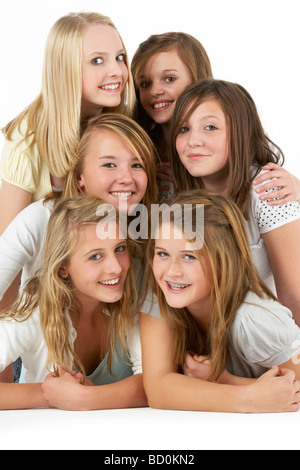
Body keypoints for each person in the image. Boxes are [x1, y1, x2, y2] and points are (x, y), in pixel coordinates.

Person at [0, 113, 157, 384]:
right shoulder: (41, 220)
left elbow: (154, 377)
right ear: (80, 177)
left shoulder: (140, 254)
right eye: (109, 164)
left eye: (137, 165)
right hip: (37, 357)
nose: (126, 178)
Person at [0, 11, 134, 310]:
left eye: (120, 57)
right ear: (65, 69)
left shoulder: (120, 125)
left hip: (106, 307)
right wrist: (6, 347)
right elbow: (7, 262)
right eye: (97, 60)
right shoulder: (28, 140)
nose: (117, 71)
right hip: (47, 313)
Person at [139, 190, 300, 413]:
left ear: (224, 263)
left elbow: (293, 390)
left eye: (189, 256)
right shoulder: (160, 294)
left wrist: (226, 381)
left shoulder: (255, 319)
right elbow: (158, 389)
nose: (171, 272)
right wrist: (245, 396)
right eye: (163, 254)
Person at [169, 78, 300, 325]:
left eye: (210, 127)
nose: (193, 141)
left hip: (269, 338)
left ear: (240, 131)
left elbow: (294, 300)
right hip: (202, 339)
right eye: (184, 129)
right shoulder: (173, 196)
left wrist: (290, 363)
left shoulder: (267, 189)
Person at [0, 195, 148, 410]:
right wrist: (49, 393)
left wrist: (85, 397)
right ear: (63, 268)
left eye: (119, 248)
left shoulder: (133, 298)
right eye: (95, 257)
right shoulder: (36, 310)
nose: (116, 267)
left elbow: (152, 381)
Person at [131, 32, 300, 202]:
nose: (155, 91)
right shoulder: (139, 144)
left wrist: (296, 186)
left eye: (169, 79)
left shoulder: (233, 130)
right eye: (145, 84)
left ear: (198, 81)